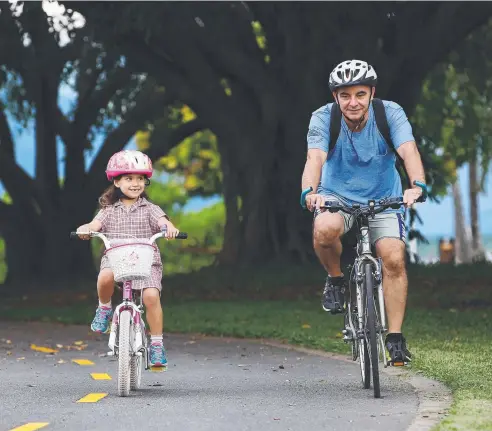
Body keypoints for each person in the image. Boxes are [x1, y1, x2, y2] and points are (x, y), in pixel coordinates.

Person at [301, 60, 426, 364]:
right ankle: (335, 278)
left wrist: (417, 185)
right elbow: (315, 157)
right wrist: (310, 192)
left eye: (359, 94)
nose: (353, 102)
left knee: (393, 258)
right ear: (336, 97)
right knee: (324, 230)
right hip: (336, 194)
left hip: (384, 195)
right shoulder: (323, 118)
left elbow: (407, 149)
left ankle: (395, 339)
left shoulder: (389, 113)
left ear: (372, 92)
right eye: (345, 95)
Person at [77, 150, 181, 368]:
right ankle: (104, 308)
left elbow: (162, 222)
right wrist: (86, 228)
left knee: (151, 297)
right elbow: (94, 226)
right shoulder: (108, 210)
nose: (136, 184)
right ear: (116, 181)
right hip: (115, 258)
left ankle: (156, 344)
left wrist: (169, 228)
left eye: (140, 179)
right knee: (105, 277)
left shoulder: (150, 208)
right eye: (129, 178)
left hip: (145, 260)